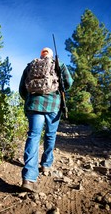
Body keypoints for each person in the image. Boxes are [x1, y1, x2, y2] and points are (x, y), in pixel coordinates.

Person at [19, 47, 73, 192]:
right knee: (50, 135)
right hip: (53, 106)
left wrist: (31, 100)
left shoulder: (31, 65)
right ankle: (46, 165)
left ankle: (29, 178)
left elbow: (22, 89)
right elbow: (68, 83)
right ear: (51, 54)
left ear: (41, 55)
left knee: (34, 136)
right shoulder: (58, 64)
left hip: (34, 105)